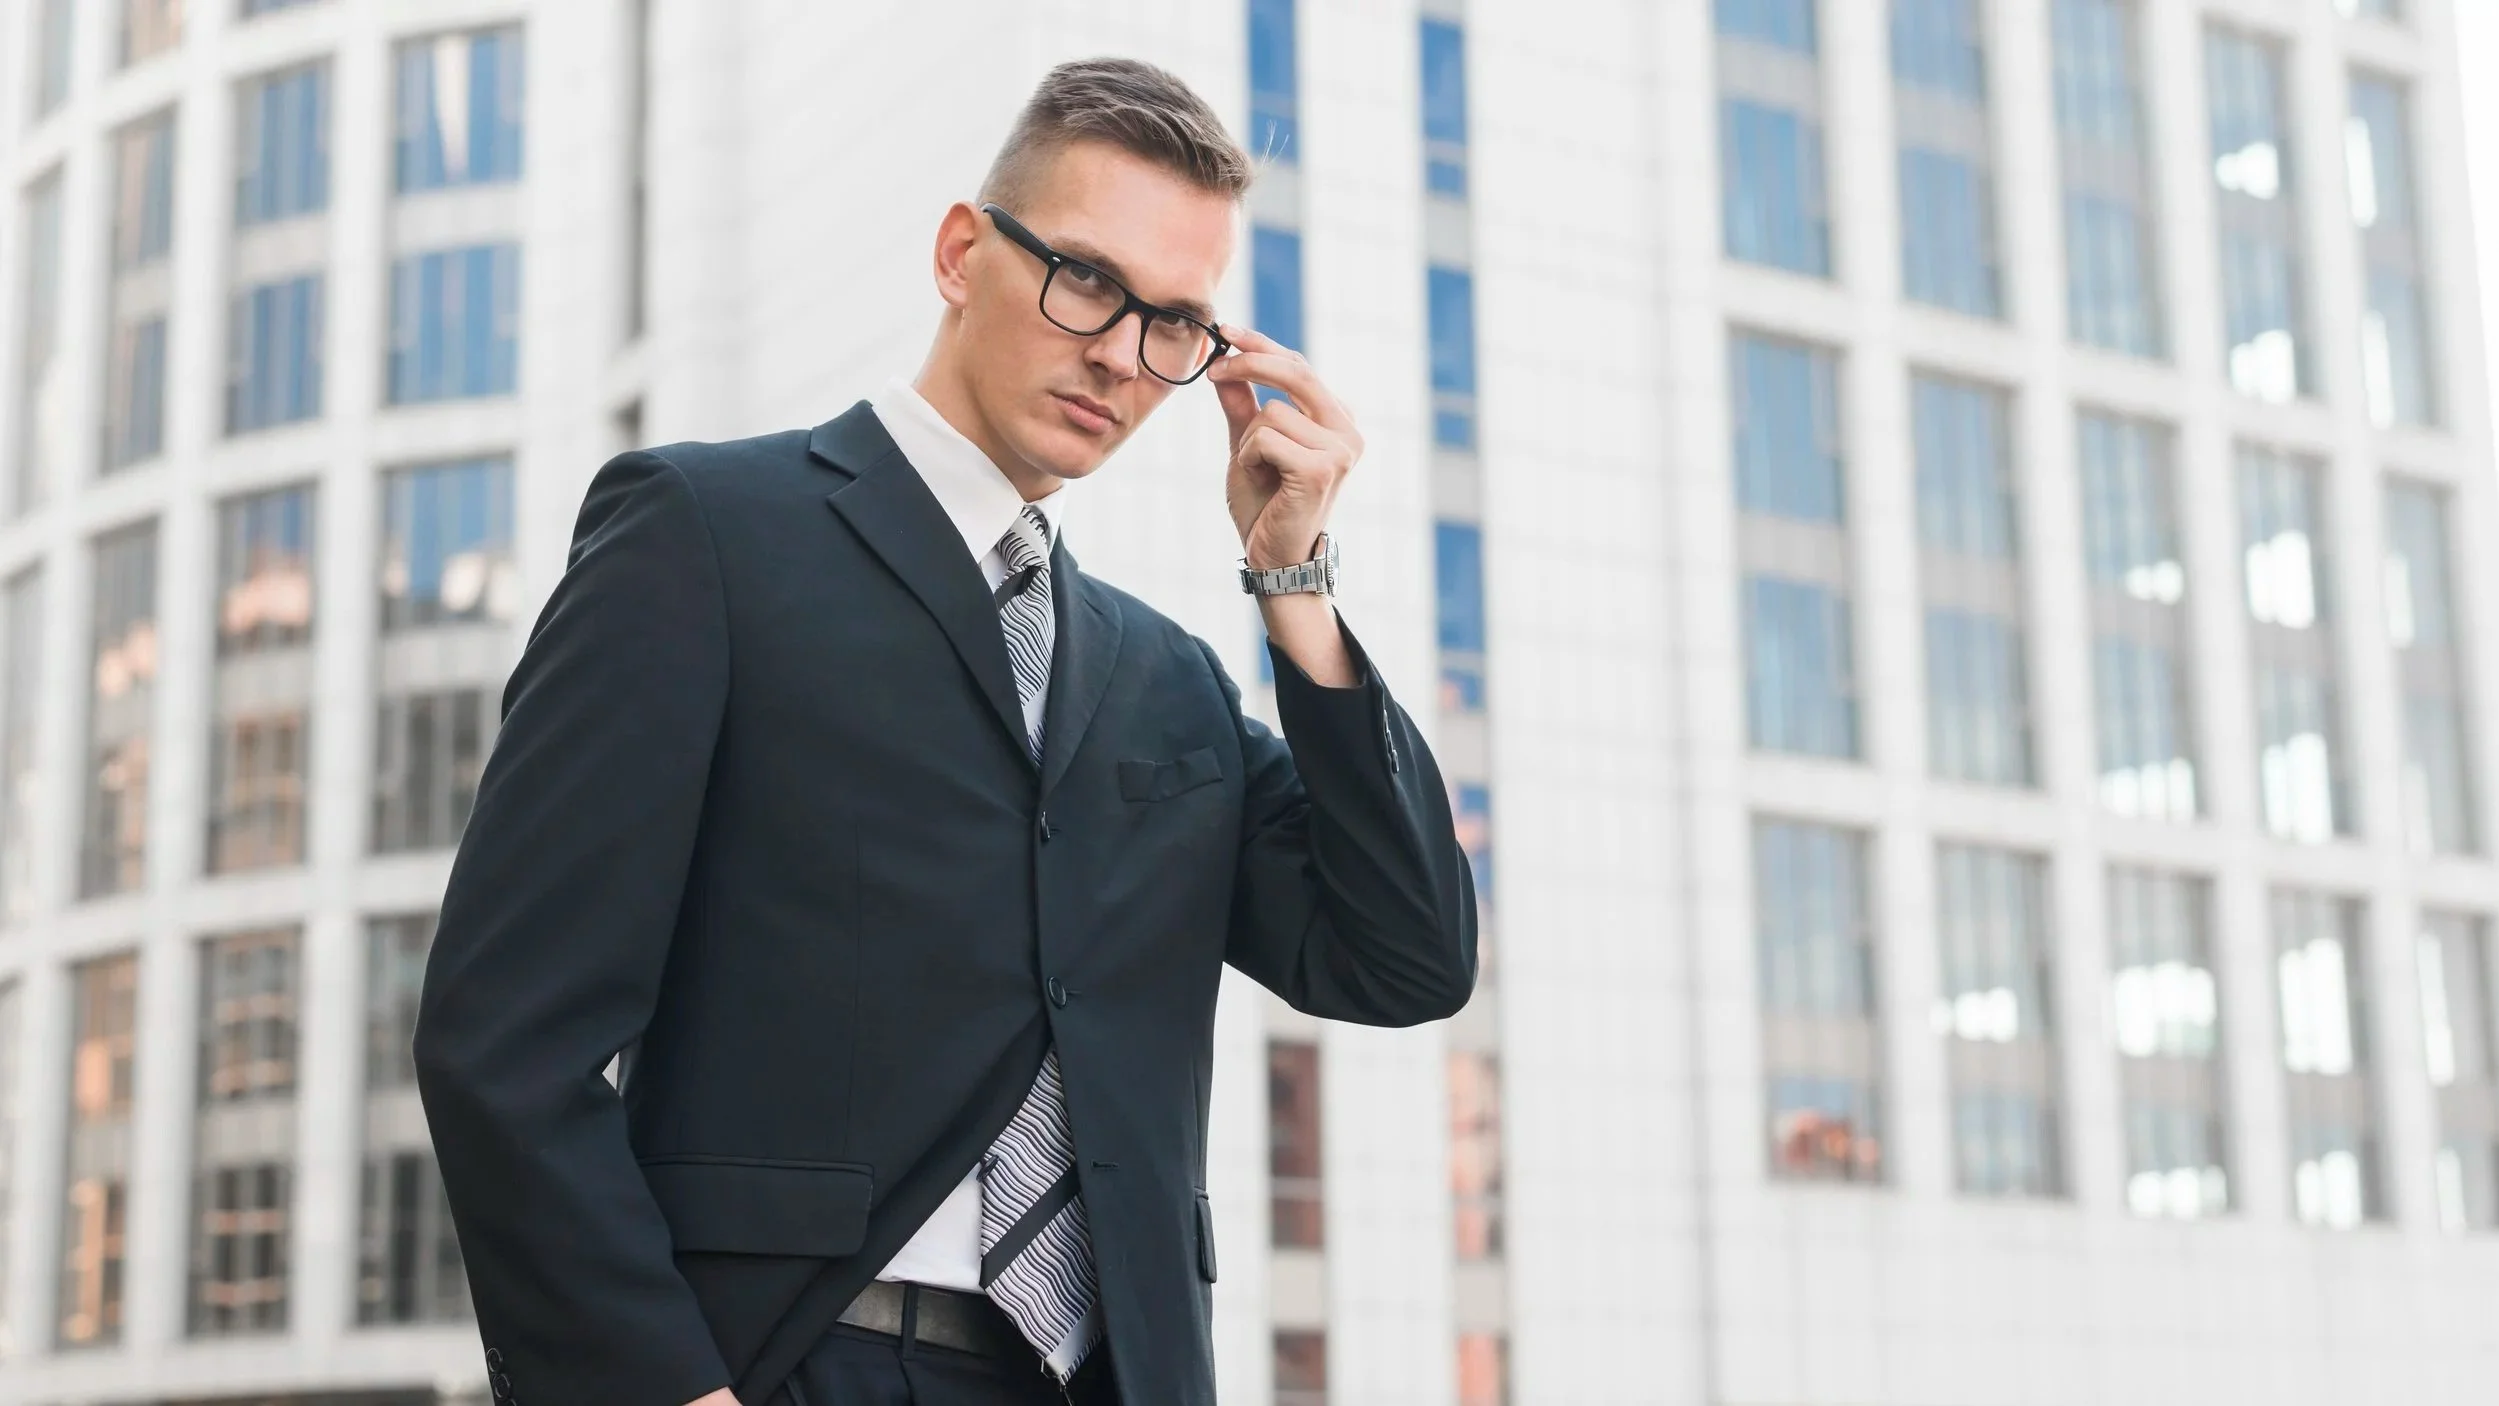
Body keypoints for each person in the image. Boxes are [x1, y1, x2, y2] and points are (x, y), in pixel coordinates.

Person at [412, 56, 1476, 1406]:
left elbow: (1405, 956)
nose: (1116, 351)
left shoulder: (1173, 682)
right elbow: (504, 1033)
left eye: (1173, 324)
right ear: (962, 252)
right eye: (1084, 278)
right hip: (789, 1358)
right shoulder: (705, 540)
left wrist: (1296, 582)